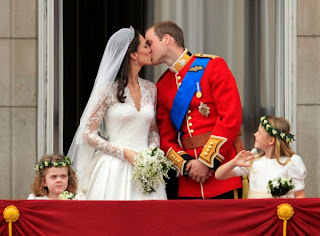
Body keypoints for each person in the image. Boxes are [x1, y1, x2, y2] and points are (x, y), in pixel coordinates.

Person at [145, 21, 243, 199]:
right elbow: (165, 138)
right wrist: (187, 165)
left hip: (223, 171)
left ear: (166, 39)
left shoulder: (213, 66)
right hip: (190, 180)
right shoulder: (162, 85)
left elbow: (231, 118)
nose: (147, 49)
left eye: (149, 43)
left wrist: (206, 161)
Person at [67, 27, 167, 200]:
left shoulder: (151, 89)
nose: (150, 49)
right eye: (145, 46)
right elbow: (87, 133)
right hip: (114, 168)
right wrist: (123, 152)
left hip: (146, 170)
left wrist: (151, 154)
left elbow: (152, 131)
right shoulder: (106, 90)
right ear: (133, 55)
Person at [215, 116, 306, 198]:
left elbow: (300, 195)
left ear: (271, 140)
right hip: (255, 213)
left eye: (259, 132)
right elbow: (219, 175)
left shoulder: (290, 163)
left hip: (278, 214)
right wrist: (233, 162)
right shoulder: (254, 161)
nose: (255, 134)